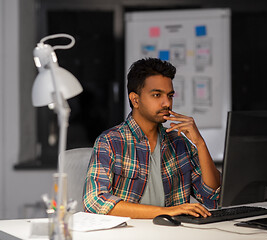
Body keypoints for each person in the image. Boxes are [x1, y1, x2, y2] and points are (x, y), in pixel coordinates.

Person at [83, 58, 221, 219]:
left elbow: (212, 198)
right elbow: (95, 202)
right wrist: (165, 212)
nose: (166, 103)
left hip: (173, 233)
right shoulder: (110, 142)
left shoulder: (178, 143)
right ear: (135, 100)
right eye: (157, 95)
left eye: (170, 95)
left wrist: (200, 143)